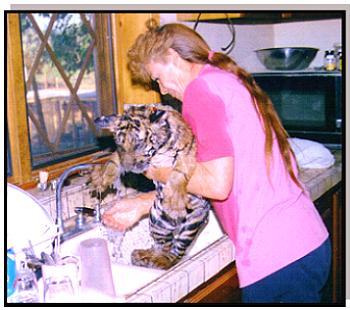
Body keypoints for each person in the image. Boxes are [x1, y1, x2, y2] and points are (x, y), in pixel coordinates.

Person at [102, 21, 331, 303]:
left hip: (277, 256)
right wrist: (143, 202)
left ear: (173, 57)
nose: (161, 90)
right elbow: (209, 177)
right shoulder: (220, 79)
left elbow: (217, 184)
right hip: (303, 242)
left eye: (158, 78)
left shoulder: (200, 92)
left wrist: (151, 169)